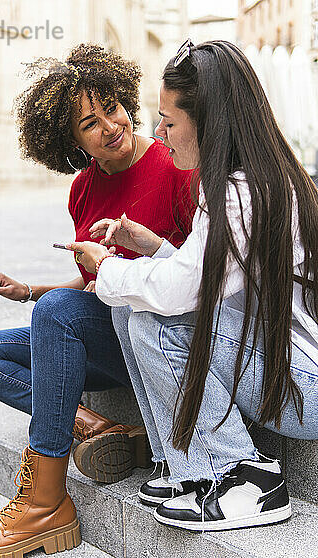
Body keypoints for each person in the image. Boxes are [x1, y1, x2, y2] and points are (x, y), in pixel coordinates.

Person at [0, 43, 195, 558]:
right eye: (91, 122)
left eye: (112, 107)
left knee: (57, 315)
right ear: (70, 142)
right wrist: (32, 292)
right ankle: (97, 429)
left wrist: (61, 302)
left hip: (159, 341)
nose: (111, 125)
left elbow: (196, 276)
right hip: (107, 333)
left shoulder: (174, 166)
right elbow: (91, 280)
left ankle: (45, 500)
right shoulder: (83, 189)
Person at [68, 40, 318, 532]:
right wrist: (151, 245)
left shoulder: (243, 194)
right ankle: (179, 463)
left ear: (210, 122)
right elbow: (208, 278)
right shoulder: (243, 180)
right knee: (131, 307)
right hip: (286, 371)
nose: (158, 133)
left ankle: (241, 475)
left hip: (305, 389)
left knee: (151, 319)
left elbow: (184, 294)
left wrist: (108, 269)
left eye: (169, 120)